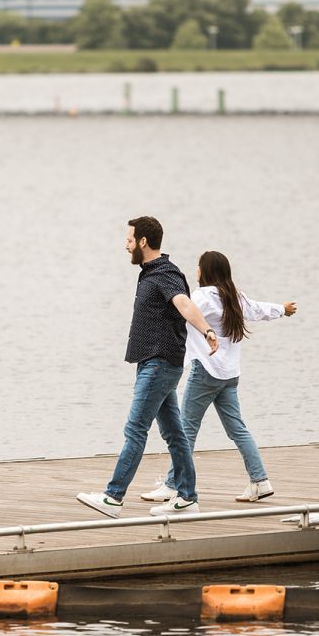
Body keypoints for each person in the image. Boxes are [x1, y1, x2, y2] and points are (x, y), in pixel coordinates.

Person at [77, 216, 219, 519]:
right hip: (155, 364)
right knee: (175, 435)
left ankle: (113, 498)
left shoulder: (165, 274)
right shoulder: (151, 273)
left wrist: (207, 330)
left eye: (129, 240)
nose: (125, 245)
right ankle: (188, 497)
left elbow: (184, 304)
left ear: (143, 242)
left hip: (159, 364)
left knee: (135, 429)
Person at [143, 249, 296, 510]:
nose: (196, 271)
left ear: (205, 271)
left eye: (198, 267)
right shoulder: (234, 297)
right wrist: (282, 309)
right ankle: (260, 481)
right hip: (229, 375)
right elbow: (259, 309)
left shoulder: (202, 297)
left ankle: (172, 485)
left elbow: (182, 311)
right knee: (237, 428)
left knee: (185, 429)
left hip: (206, 371)